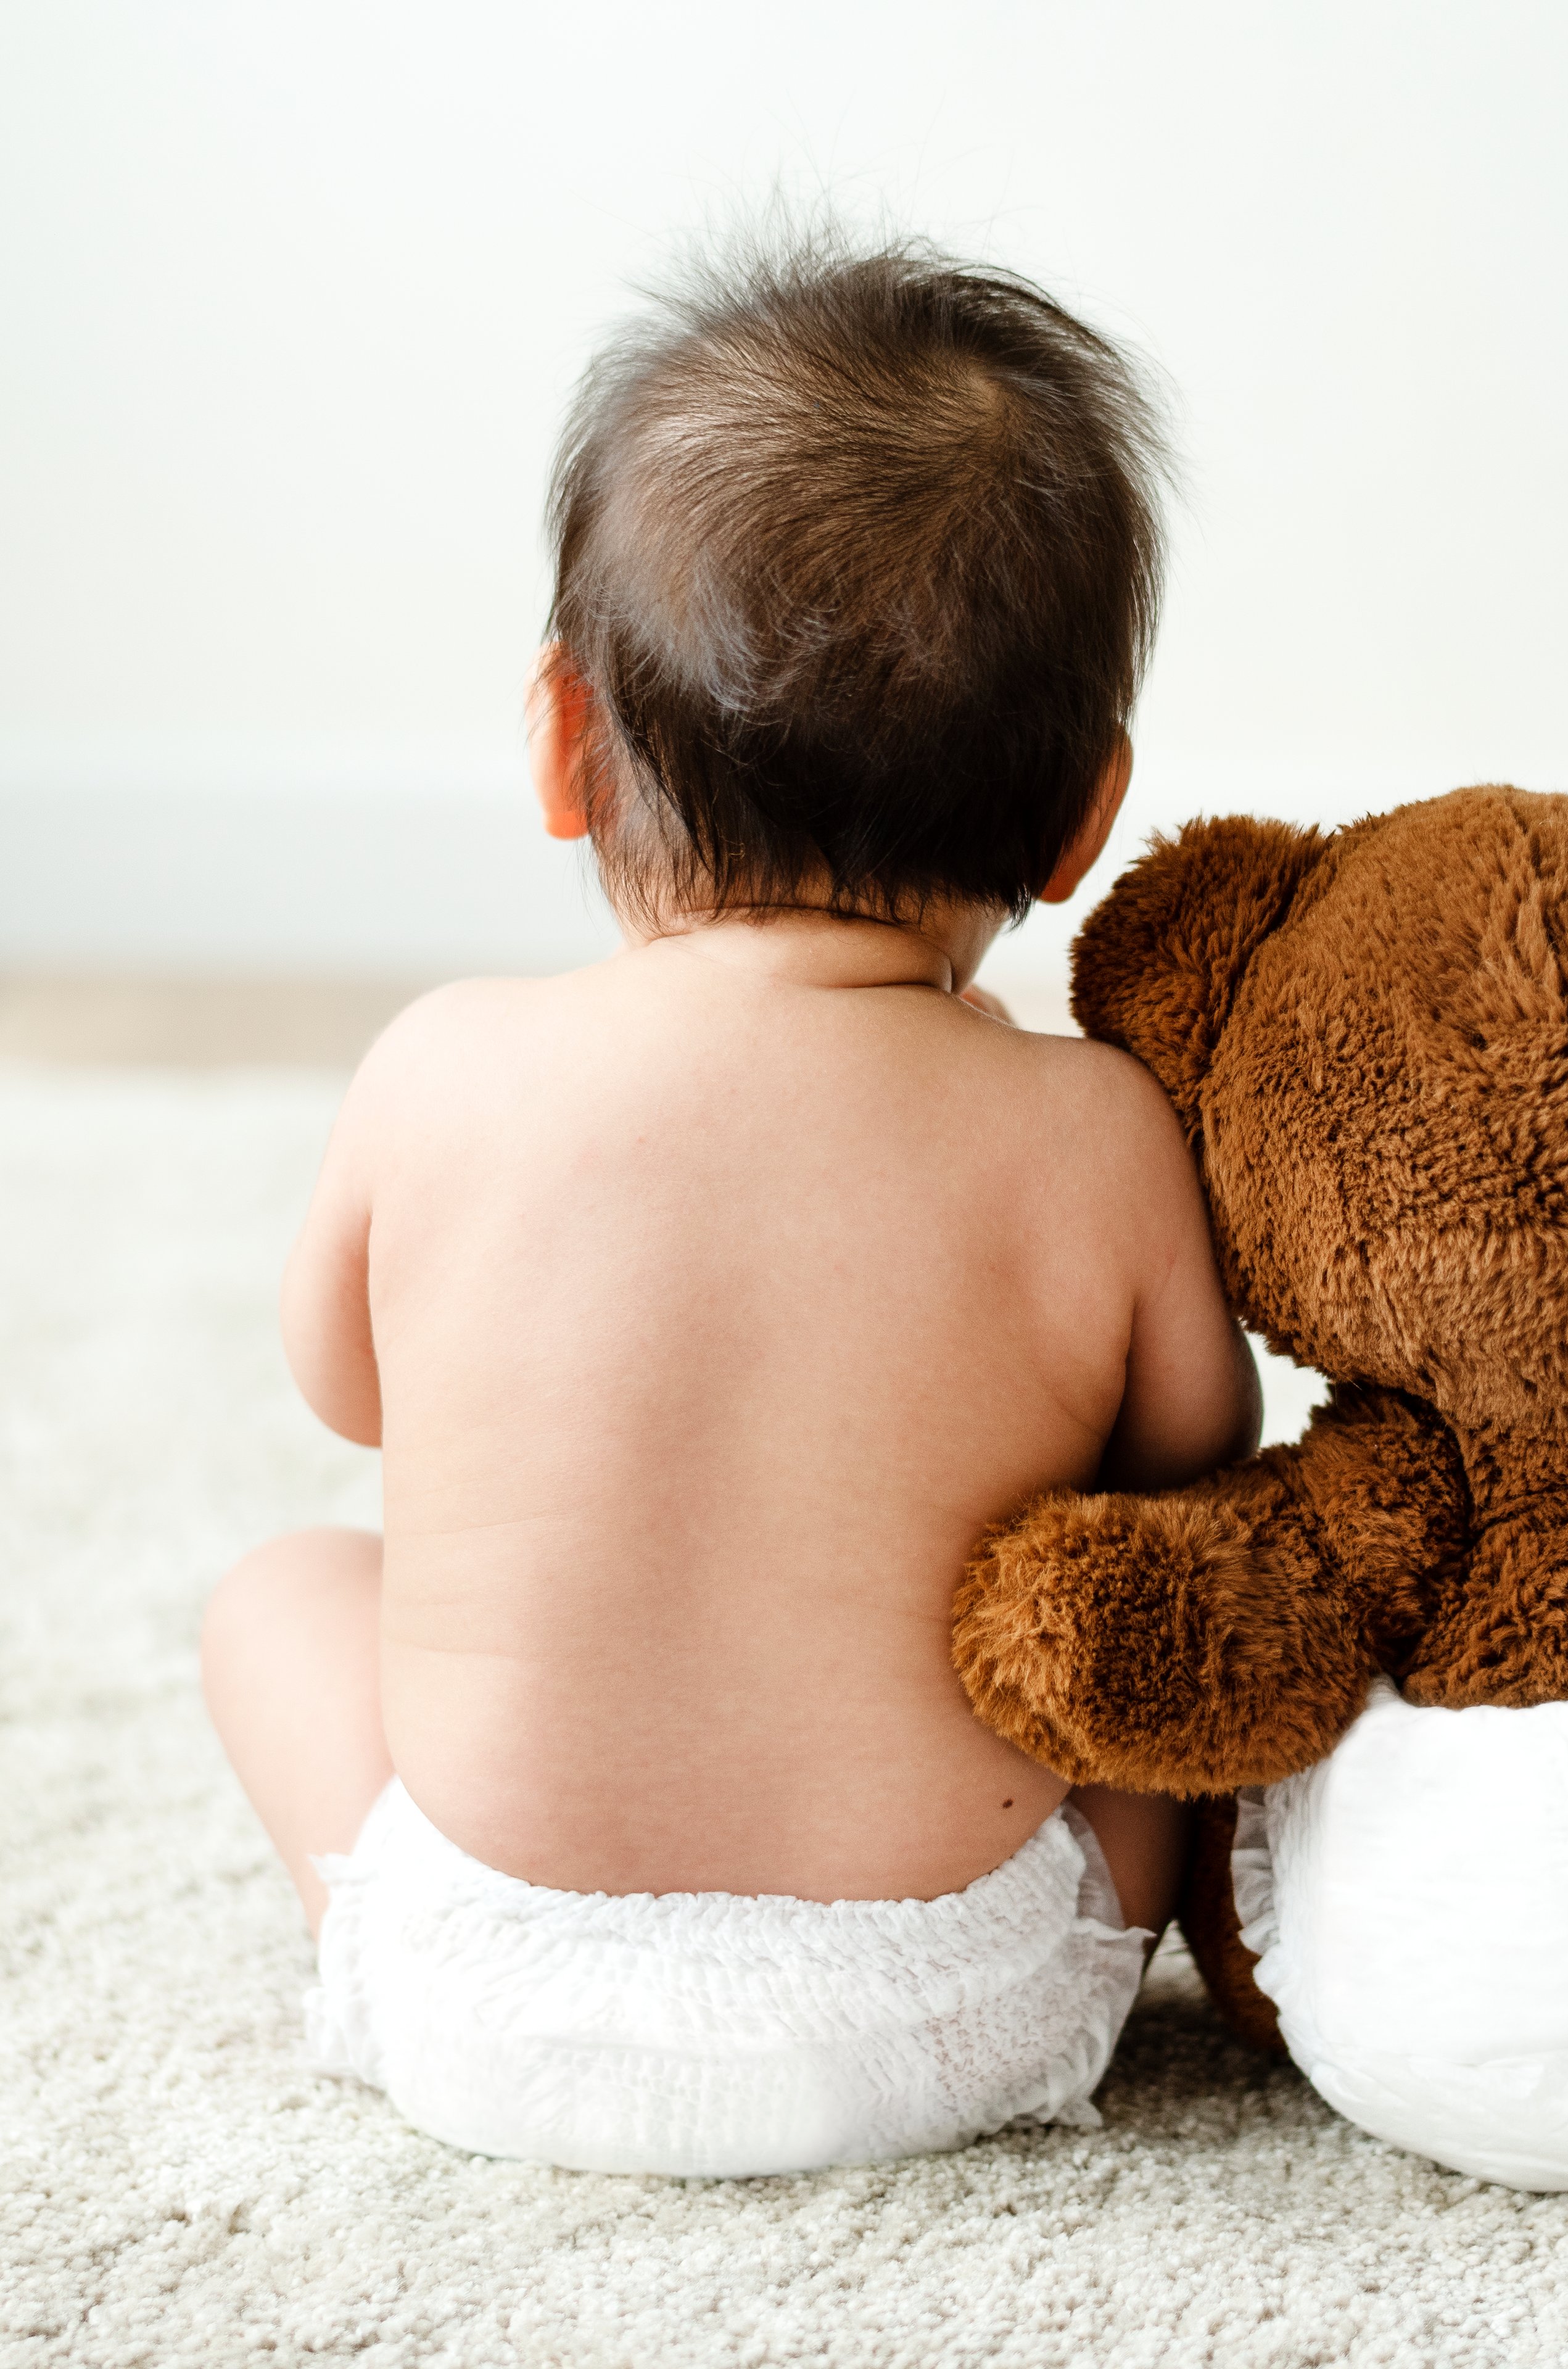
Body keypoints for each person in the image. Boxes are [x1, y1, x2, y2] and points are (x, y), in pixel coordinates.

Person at [200, 238, 1261, 2177]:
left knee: (283, 1596)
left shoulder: (445, 1065)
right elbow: (1196, 1466)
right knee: (1171, 1656)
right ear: (1083, 818)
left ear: (562, 742)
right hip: (954, 2005)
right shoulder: (1091, 1129)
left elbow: (349, 1391)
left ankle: (409, 1944)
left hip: (492, 2003)